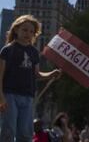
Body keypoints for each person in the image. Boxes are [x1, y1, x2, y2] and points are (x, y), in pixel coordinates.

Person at [0, 14, 61, 142]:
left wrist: (51, 74)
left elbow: (37, 74)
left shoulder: (33, 52)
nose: (28, 33)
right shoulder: (7, 50)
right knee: (8, 131)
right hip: (9, 95)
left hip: (28, 96)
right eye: (25, 29)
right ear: (16, 30)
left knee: (26, 133)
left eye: (32, 31)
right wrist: (1, 97)